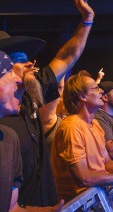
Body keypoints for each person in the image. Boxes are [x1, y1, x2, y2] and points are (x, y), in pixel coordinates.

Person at [0, 0, 95, 207]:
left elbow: (67, 56)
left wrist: (87, 19)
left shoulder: (33, 90)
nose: (31, 63)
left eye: (30, 58)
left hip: (43, 203)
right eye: (20, 59)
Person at [51, 71, 113, 202]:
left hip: (96, 201)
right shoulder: (71, 127)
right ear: (82, 96)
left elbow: (106, 162)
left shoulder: (94, 124)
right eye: (96, 88)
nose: (101, 92)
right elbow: (83, 177)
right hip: (80, 205)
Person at [0, 51, 64, 212]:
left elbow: (11, 207)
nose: (17, 79)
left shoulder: (8, 137)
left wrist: (47, 210)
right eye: (8, 73)